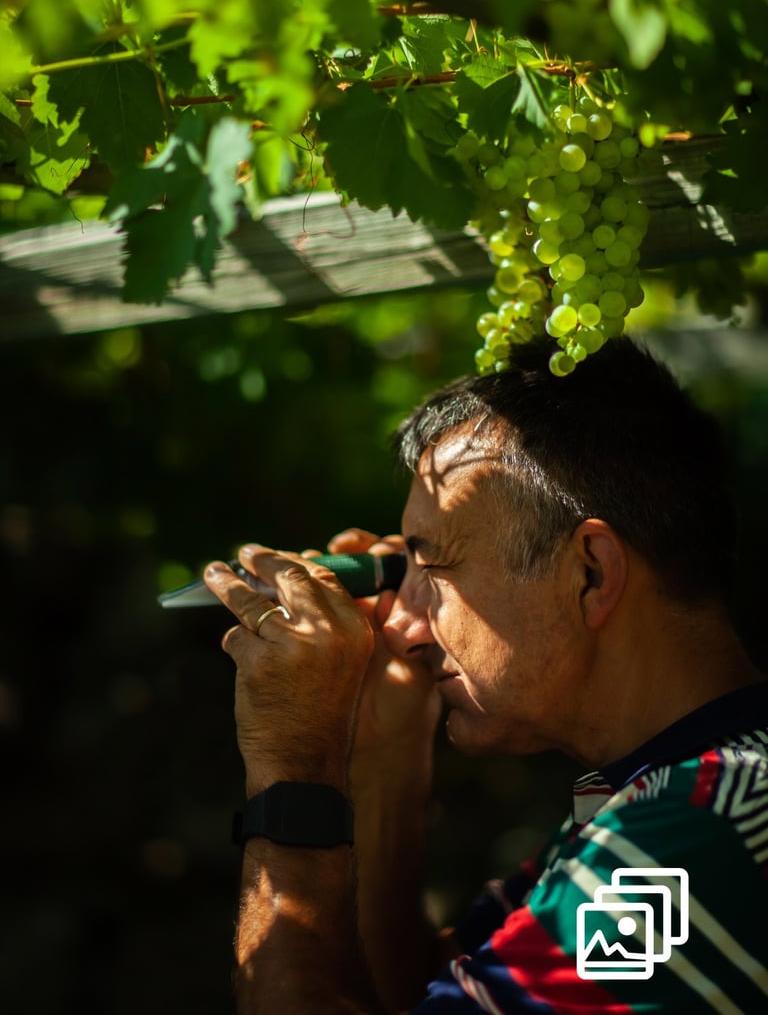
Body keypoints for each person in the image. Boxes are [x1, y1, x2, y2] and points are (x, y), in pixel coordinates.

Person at [204, 335, 768, 1014]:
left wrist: (293, 773)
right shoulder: (671, 800)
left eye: (434, 568)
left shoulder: (697, 828)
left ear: (590, 573)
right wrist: (387, 755)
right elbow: (416, 998)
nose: (401, 626)